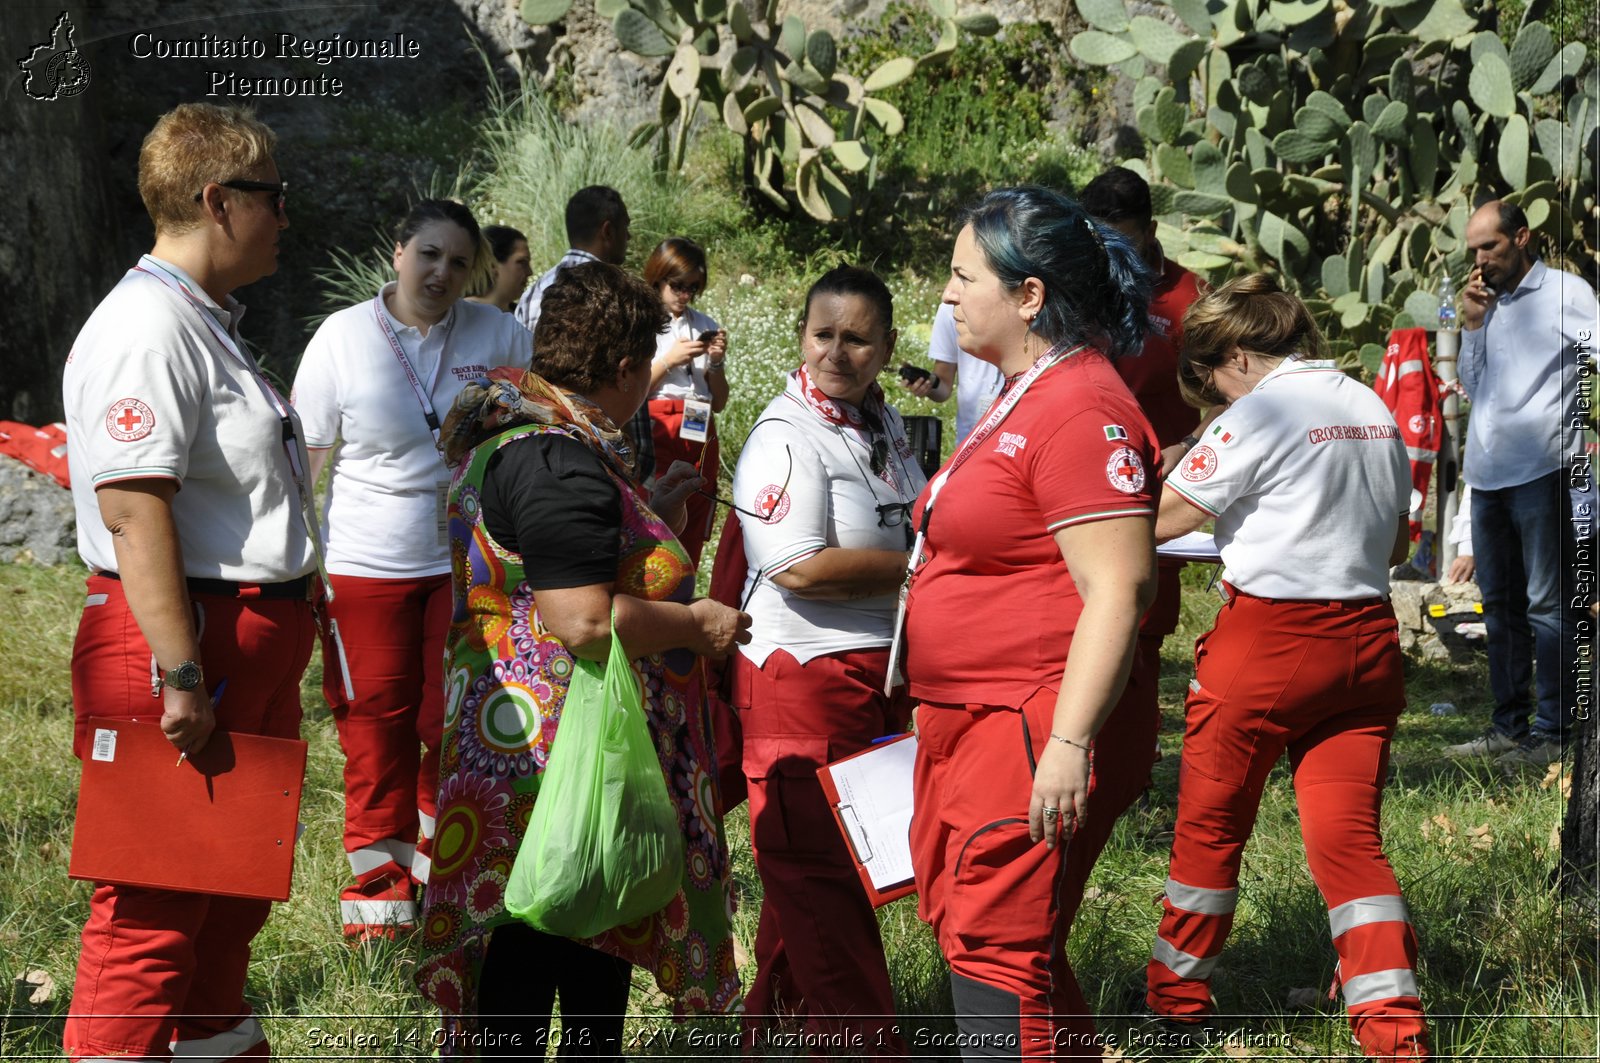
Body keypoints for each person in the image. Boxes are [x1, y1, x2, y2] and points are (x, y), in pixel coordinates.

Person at [416, 261, 750, 1057]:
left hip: (518, 751)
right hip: (556, 768)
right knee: (546, 976)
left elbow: (548, 568)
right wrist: (693, 621)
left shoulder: (514, 433)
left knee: (556, 972)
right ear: (630, 367)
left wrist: (645, 520)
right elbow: (583, 617)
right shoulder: (560, 459)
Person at [61, 102, 315, 1062]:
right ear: (219, 200)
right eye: (274, 198)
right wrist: (178, 672)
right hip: (185, 643)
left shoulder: (200, 323)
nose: (286, 217)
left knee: (221, 910)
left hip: (234, 641)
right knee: (154, 919)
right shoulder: (147, 326)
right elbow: (134, 511)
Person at [1145, 274, 1430, 1059]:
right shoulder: (1367, 403)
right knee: (1350, 845)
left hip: (1269, 645)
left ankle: (1176, 1005)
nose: (1214, 402)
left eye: (1210, 385)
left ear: (1235, 356)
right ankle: (1394, 1032)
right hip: (1368, 641)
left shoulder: (1260, 412)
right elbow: (1400, 543)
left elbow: (1160, 520)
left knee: (1209, 831)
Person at [904, 186, 1160, 1058]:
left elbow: (1118, 588)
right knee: (997, 947)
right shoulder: (1026, 391)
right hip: (971, 724)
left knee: (997, 953)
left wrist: (1070, 742)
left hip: (1028, 723)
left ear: (1029, 296)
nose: (946, 296)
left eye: (961, 275)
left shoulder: (1083, 408)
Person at [290, 199, 533, 939]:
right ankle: (378, 904)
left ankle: (443, 874)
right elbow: (305, 459)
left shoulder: (499, 333)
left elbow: (528, 434)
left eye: (459, 263)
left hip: (466, 563)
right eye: (429, 254)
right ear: (397, 253)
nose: (441, 272)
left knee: (451, 721)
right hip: (368, 564)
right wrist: (300, 559)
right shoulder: (344, 337)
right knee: (376, 728)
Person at [728, 265, 928, 1053]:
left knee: (821, 869)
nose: (836, 352)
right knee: (822, 877)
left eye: (857, 338)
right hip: (801, 677)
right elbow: (798, 565)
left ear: (885, 347)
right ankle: (863, 1042)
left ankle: (768, 1027)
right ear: (801, 335)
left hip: (874, 673)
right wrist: (923, 562)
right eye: (823, 334)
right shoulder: (785, 435)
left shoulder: (881, 423)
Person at [1442, 200, 1594, 770]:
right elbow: (1479, 387)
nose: (1480, 262)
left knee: (1548, 605)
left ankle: (1555, 732)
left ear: (1522, 237)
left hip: (1545, 471)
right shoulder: (1488, 303)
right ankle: (1509, 727)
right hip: (1489, 477)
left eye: (1491, 247)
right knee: (1500, 605)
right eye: (1473, 250)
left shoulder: (1563, 293)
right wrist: (1475, 327)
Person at [515, 185, 654, 482]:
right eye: (625, 228)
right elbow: (620, 388)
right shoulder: (617, 296)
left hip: (542, 450)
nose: (628, 238)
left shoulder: (531, 293)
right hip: (603, 462)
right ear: (608, 230)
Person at [643, 237, 730, 566]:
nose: (685, 295)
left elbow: (718, 401)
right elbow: (634, 390)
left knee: (697, 502)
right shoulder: (646, 320)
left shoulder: (703, 323)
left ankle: (686, 589)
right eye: (678, 285)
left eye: (692, 288)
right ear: (659, 277)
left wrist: (717, 362)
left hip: (699, 423)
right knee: (657, 512)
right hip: (659, 422)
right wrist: (671, 359)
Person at [903, 303, 1003, 445]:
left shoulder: (1028, 307)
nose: (948, 294)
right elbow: (943, 388)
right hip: (970, 440)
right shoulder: (949, 309)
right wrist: (929, 384)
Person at [467, 224, 534, 312]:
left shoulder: (522, 316)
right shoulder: (461, 315)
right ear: (492, 265)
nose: (530, 272)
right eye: (521, 262)